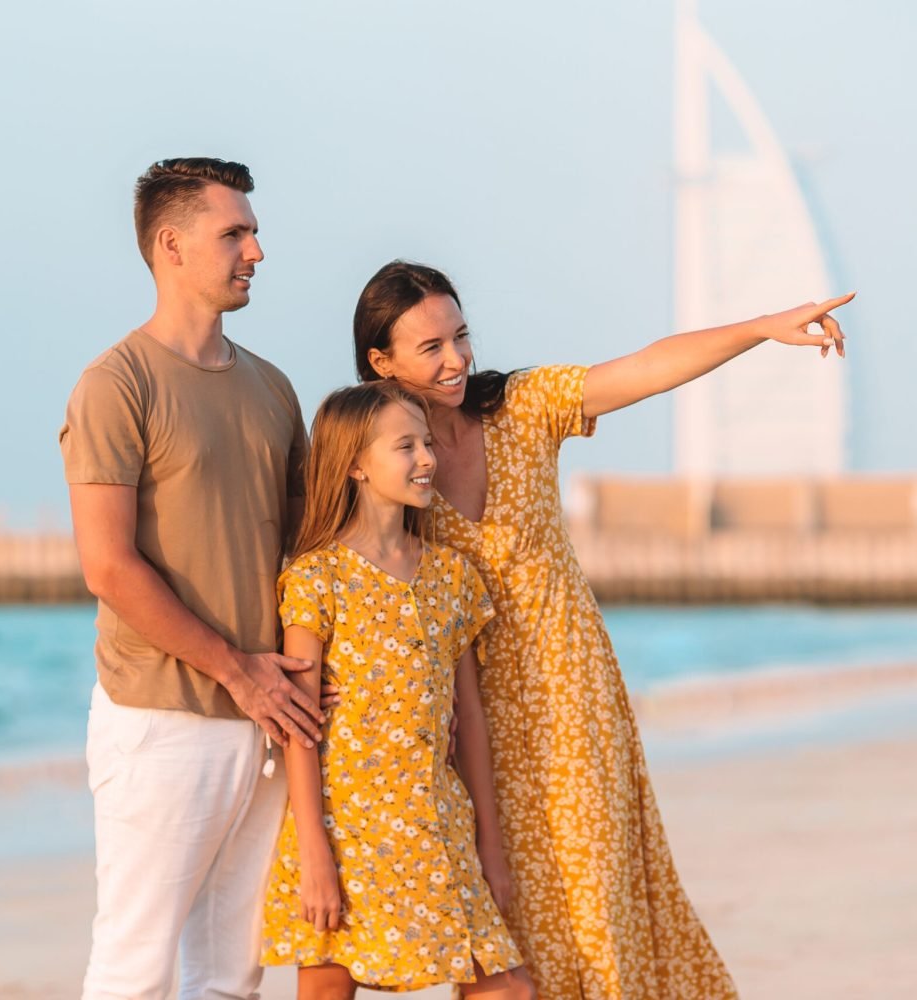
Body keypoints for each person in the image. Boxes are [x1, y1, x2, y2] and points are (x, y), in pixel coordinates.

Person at [351, 260, 853, 1000]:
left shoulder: (521, 406)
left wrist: (759, 330)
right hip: (468, 728)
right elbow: (343, 580)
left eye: (461, 337)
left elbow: (647, 367)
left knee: (596, 907)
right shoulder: (385, 464)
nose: (456, 360)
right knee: (503, 929)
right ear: (379, 361)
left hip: (573, 701)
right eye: (430, 348)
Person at [59, 157, 325, 1000]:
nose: (256, 250)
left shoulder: (272, 388)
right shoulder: (116, 384)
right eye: (234, 233)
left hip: (266, 719)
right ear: (171, 245)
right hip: (161, 719)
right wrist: (239, 671)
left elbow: (307, 552)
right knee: (135, 969)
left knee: (232, 977)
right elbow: (108, 565)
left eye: (252, 231)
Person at [260, 381, 536, 1000]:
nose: (426, 459)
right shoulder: (316, 579)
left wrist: (490, 846)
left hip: (437, 823)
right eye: (404, 446)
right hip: (345, 827)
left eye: (427, 443)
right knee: (329, 987)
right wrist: (314, 857)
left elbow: (469, 717)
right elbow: (303, 730)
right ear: (356, 464)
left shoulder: (451, 576)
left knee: (507, 987)